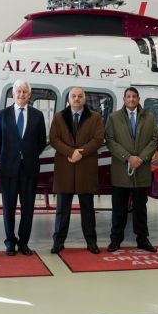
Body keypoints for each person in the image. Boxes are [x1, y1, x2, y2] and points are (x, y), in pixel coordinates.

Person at [48, 87, 105, 254]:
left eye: (80, 96)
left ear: (84, 99)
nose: (77, 99)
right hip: (65, 168)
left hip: (85, 168)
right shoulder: (59, 117)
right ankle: (58, 242)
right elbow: (53, 139)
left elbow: (98, 139)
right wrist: (70, 152)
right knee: (62, 210)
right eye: (74, 96)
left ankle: (91, 242)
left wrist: (81, 153)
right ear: (69, 99)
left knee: (87, 209)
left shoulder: (95, 117)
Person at [0, 80, 47, 256]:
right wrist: (9, 158)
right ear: (13, 94)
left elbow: (41, 142)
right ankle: (10, 242)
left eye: (25, 92)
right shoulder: (2, 115)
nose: (21, 94)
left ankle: (24, 243)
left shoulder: (38, 116)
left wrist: (27, 156)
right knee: (8, 207)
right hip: (9, 169)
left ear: (29, 95)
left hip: (29, 169)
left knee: (28, 208)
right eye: (18, 91)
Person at [104, 87, 158, 252]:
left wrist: (141, 158)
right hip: (121, 171)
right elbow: (110, 140)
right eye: (128, 96)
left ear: (138, 98)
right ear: (124, 99)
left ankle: (142, 240)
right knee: (119, 209)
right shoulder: (114, 118)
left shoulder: (149, 117)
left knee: (140, 209)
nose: (131, 99)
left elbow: (155, 139)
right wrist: (128, 157)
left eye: (134, 96)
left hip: (141, 171)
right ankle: (115, 240)